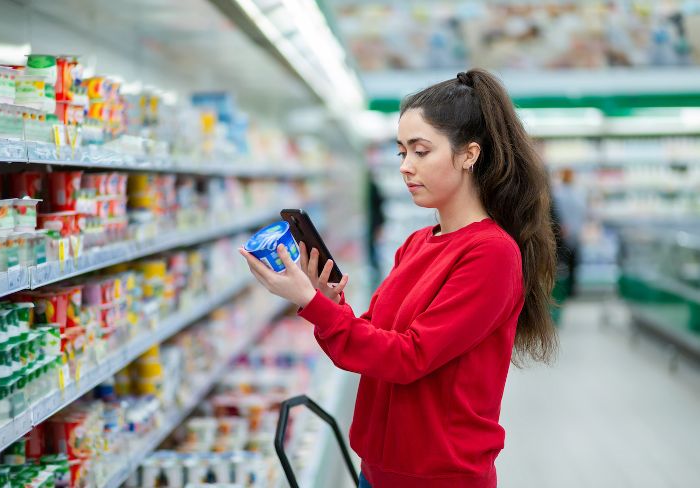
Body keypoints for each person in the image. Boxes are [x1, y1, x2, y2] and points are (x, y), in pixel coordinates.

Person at [239, 69, 558, 488]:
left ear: (469, 154)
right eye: (400, 153)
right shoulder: (417, 243)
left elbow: (408, 358)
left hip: (438, 478)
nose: (406, 167)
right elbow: (372, 343)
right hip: (379, 470)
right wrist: (327, 302)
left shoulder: (491, 254)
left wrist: (315, 307)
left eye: (421, 151)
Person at [552, 167, 587, 298]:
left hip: (562, 234)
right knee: (574, 264)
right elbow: (583, 213)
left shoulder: (558, 193)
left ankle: (561, 292)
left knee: (560, 265)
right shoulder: (579, 194)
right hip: (575, 234)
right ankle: (572, 290)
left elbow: (555, 214)